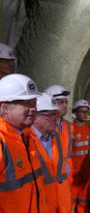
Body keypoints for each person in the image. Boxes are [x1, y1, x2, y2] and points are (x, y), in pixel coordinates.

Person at [0, 73, 47, 212]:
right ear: (4, 107)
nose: (33, 108)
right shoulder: (3, 142)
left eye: (33, 102)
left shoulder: (27, 138)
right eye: (25, 103)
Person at [31, 92, 72, 213]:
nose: (55, 118)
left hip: (61, 205)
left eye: (55, 114)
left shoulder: (57, 137)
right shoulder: (26, 141)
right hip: (41, 207)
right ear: (34, 116)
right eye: (49, 114)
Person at [45, 84, 72, 182]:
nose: (65, 105)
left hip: (67, 178)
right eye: (61, 102)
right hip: (51, 179)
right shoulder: (42, 129)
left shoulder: (69, 126)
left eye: (66, 102)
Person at [71, 99, 90, 213]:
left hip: (85, 170)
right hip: (74, 172)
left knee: (84, 201)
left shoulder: (88, 129)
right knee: (71, 200)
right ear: (75, 113)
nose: (85, 114)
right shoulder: (70, 129)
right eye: (82, 111)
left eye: (87, 111)